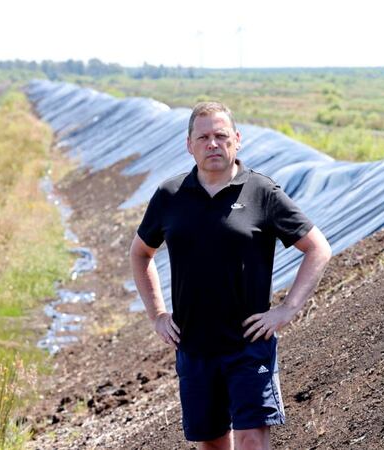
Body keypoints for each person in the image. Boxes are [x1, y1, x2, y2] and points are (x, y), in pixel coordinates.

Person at [130, 102, 332, 450]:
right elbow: (140, 253)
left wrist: (287, 309)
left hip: (248, 345)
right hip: (193, 346)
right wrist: (158, 316)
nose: (213, 144)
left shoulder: (262, 192)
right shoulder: (169, 196)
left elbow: (318, 248)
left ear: (236, 140)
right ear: (188, 144)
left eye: (221, 136)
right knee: (212, 443)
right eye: (203, 137)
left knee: (252, 439)